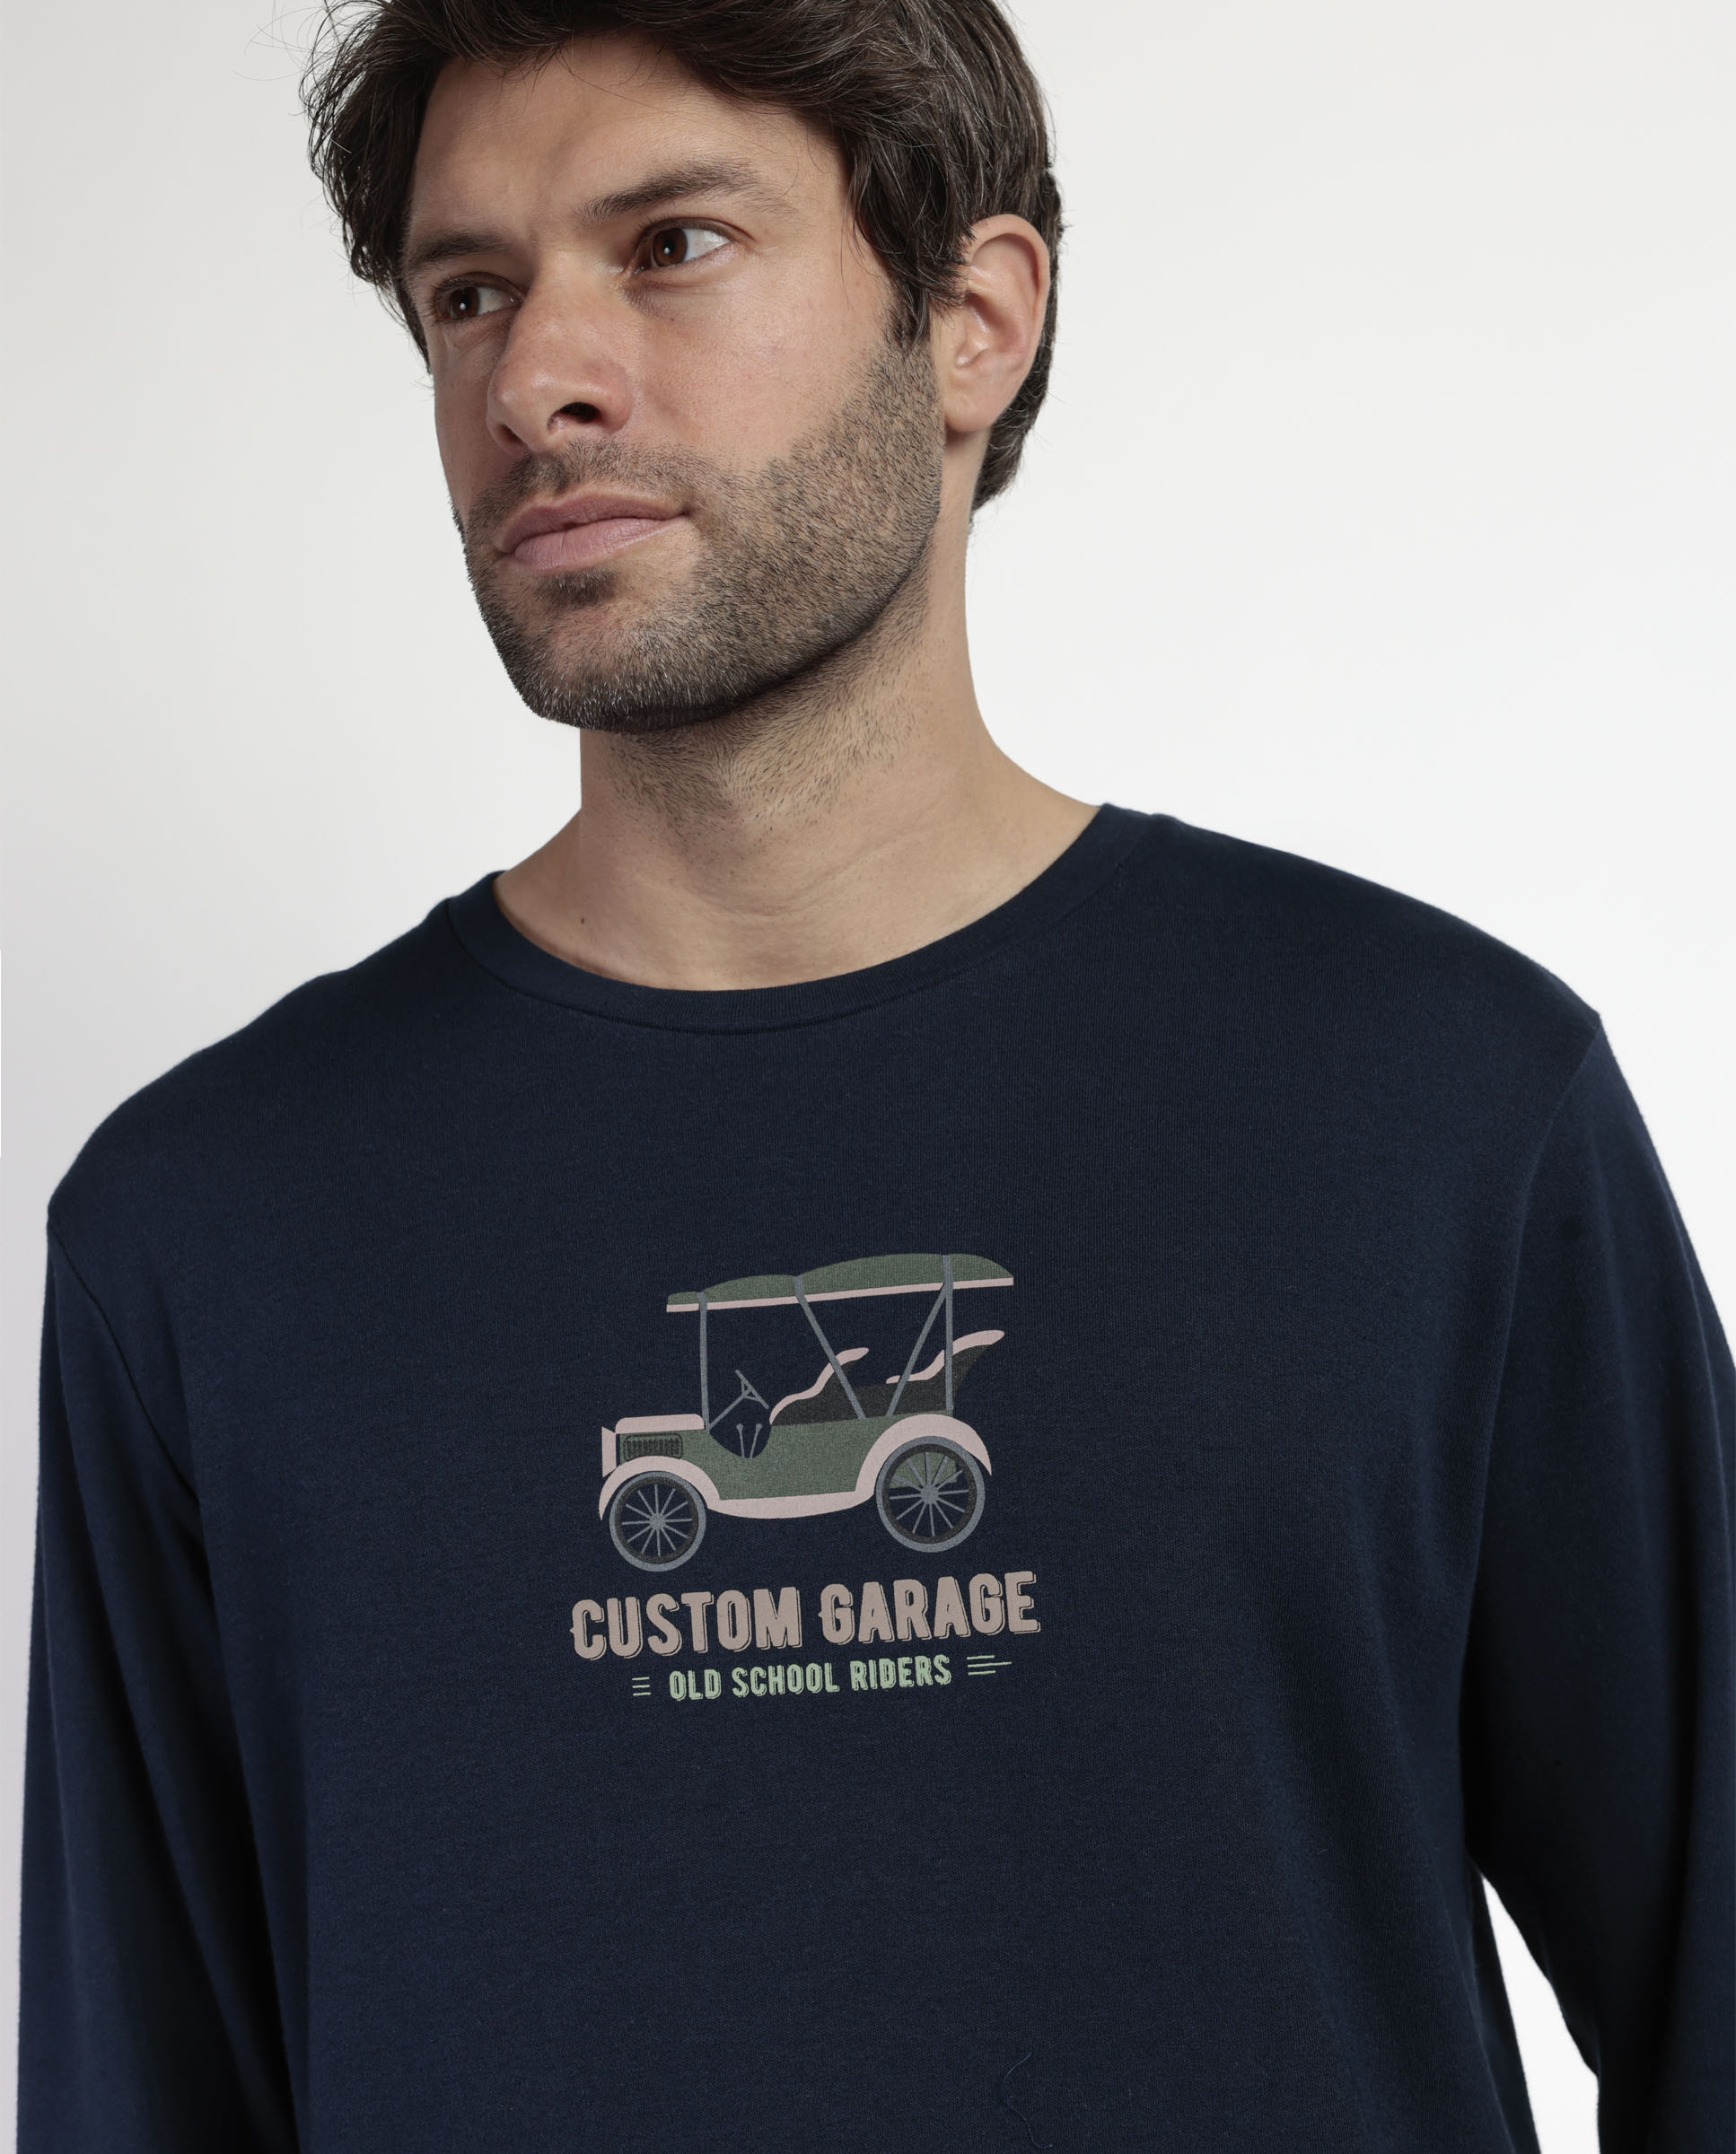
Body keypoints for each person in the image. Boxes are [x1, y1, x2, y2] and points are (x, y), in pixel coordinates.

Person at [19, 0, 1732, 2147]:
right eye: (468, 293)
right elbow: (134, 2091)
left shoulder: (1440, 1108)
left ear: (974, 323)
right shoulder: (205, 1228)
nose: (535, 379)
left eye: (671, 245)